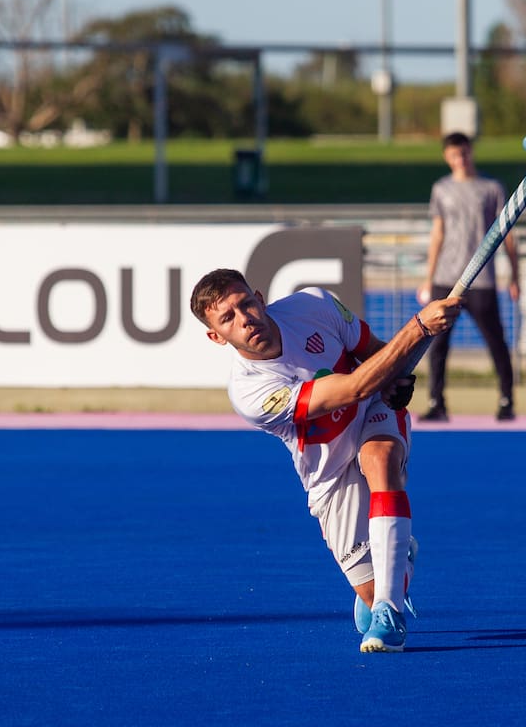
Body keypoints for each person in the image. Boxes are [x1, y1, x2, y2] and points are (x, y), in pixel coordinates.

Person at [190, 268, 462, 653]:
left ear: (259, 296)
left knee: (381, 459)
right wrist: (419, 327)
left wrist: (397, 378)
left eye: (245, 304)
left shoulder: (313, 304)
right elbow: (353, 386)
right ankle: (393, 563)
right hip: (327, 472)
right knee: (371, 592)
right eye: (228, 318)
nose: (245, 318)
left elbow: (375, 354)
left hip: (374, 410)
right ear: (216, 336)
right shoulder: (250, 391)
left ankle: (391, 613)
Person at [417, 131, 519, 422]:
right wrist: (429, 277)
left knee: (494, 340)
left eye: (464, 153)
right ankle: (437, 402)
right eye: (454, 155)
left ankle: (506, 399)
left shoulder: (491, 188)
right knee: (437, 343)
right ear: (446, 157)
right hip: (447, 277)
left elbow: (507, 234)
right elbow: (438, 234)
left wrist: (514, 275)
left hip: (481, 278)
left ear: (471, 152)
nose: (460, 160)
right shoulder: (442, 189)